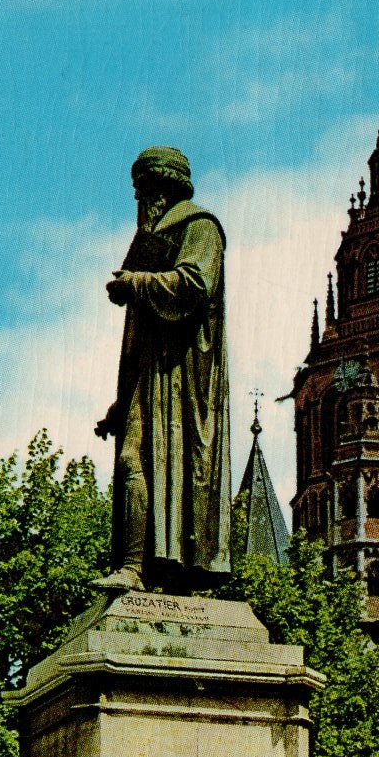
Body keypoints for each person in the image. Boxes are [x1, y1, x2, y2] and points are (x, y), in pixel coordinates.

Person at [95, 146, 231, 595]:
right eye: (137, 191)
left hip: (183, 381)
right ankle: (135, 567)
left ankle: (146, 568)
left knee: (157, 466)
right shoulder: (149, 238)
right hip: (149, 380)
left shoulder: (200, 226)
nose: (140, 202)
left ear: (165, 188)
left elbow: (195, 284)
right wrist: (120, 405)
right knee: (133, 461)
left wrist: (137, 282)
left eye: (146, 190)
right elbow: (139, 338)